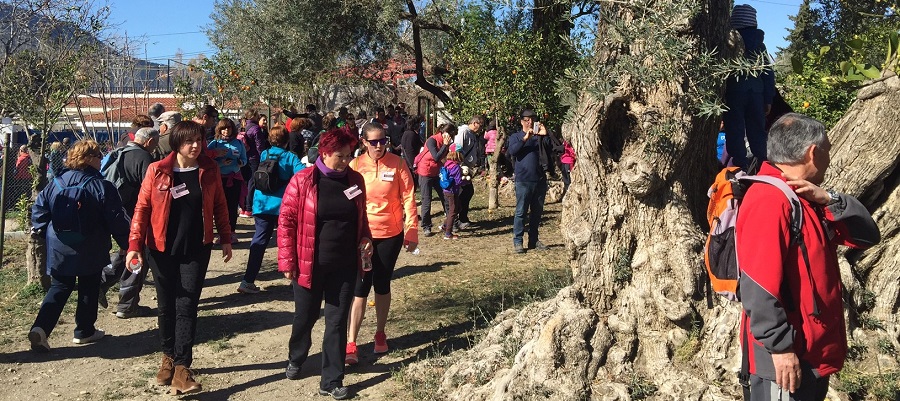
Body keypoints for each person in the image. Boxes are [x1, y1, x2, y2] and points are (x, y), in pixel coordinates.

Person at [736, 113, 880, 401]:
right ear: (813, 153)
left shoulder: (805, 199)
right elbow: (758, 286)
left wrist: (831, 199)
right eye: (828, 148)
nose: (829, 156)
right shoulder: (769, 199)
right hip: (786, 362)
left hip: (812, 354)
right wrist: (781, 349)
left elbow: (867, 237)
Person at [125, 121, 233, 395]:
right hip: (160, 249)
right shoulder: (157, 170)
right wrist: (134, 244)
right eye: (188, 141)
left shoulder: (209, 169)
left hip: (197, 248)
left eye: (198, 140)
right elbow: (142, 208)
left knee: (187, 305)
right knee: (166, 305)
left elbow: (220, 203)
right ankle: (168, 357)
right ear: (176, 144)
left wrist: (226, 237)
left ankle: (183, 367)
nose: (195, 145)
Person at [278, 128, 373, 400]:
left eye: (348, 156)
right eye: (339, 156)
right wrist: (287, 261)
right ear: (324, 152)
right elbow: (285, 223)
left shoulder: (355, 180)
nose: (345, 161)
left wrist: (366, 237)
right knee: (305, 317)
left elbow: (360, 217)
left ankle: (331, 379)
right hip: (309, 264)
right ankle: (297, 355)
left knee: (336, 321)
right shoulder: (303, 180)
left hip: (344, 265)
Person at [28, 140, 130, 352]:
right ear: (89, 159)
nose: (101, 159)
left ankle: (41, 328)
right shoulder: (101, 186)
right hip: (90, 244)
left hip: (59, 243)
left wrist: (41, 228)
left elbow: (39, 210)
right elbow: (116, 218)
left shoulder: (55, 182)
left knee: (59, 286)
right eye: (98, 156)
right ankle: (84, 331)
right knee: (89, 284)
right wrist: (125, 243)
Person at [345, 123, 418, 365]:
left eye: (383, 141)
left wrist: (412, 231)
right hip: (363, 235)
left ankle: (380, 332)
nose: (379, 146)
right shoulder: (355, 165)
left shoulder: (397, 163)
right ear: (363, 142)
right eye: (374, 142)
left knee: (382, 283)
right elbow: (348, 199)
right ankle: (351, 342)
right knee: (359, 287)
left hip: (391, 233)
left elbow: (408, 197)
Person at [100, 127, 160, 319]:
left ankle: (101, 282)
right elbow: (151, 191)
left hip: (118, 214)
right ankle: (127, 305)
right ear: (150, 141)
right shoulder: (143, 158)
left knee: (128, 251)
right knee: (138, 256)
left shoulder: (120, 152)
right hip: (136, 216)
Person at [237, 125, 304, 294]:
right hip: (282, 205)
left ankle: (248, 280)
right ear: (287, 140)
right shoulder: (290, 157)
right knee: (291, 241)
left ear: (269, 139)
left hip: (261, 204)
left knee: (259, 241)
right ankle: (295, 279)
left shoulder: (265, 154)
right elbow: (302, 175)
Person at [723, 4, 776, 170]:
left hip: (734, 93)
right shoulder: (760, 45)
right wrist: (768, 99)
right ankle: (764, 166)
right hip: (757, 94)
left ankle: (739, 167)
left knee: (735, 130)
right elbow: (767, 73)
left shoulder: (729, 40)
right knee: (757, 131)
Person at [508, 109, 551, 254]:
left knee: (537, 212)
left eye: (532, 119)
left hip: (539, 179)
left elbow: (553, 149)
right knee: (521, 212)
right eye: (526, 119)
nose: (530, 122)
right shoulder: (516, 136)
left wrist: (546, 135)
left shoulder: (540, 137)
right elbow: (513, 151)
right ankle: (518, 242)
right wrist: (525, 138)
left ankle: (534, 240)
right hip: (523, 180)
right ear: (521, 121)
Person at [207, 118, 247, 243]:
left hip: (234, 178)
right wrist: (221, 163)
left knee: (232, 206)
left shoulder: (239, 143)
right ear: (219, 129)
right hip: (219, 179)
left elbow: (244, 159)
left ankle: (232, 232)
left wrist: (241, 163)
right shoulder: (214, 144)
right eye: (223, 128)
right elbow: (207, 161)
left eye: (228, 128)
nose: (226, 131)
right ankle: (221, 234)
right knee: (219, 206)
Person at [415, 124, 453, 236]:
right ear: (442, 132)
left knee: (445, 196)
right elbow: (436, 157)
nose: (449, 137)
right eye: (448, 134)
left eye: (451, 135)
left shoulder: (447, 142)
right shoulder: (432, 140)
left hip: (437, 172)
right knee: (426, 200)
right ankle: (426, 226)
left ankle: (450, 223)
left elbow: (445, 158)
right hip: (425, 172)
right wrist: (445, 146)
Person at [455, 116, 484, 228]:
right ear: (475, 123)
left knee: (468, 192)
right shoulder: (463, 132)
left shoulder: (472, 134)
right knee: (464, 192)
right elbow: (457, 148)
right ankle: (458, 219)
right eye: (480, 125)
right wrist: (460, 166)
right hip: (462, 167)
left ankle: (463, 217)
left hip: (468, 168)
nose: (481, 129)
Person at [243, 108, 268, 219]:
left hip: (246, 157)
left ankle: (244, 207)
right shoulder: (256, 129)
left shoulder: (244, 127)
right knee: (252, 182)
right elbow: (259, 145)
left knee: (247, 181)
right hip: (254, 157)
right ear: (253, 116)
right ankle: (249, 208)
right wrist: (263, 157)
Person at [441, 149, 463, 240]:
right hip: (452, 192)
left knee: (458, 208)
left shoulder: (447, 164)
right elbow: (458, 181)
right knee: (452, 212)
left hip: (445, 190)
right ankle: (448, 234)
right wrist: (465, 181)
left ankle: (445, 225)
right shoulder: (456, 167)